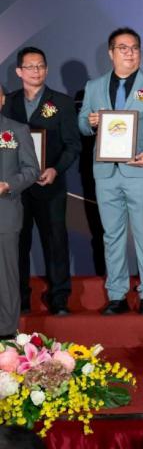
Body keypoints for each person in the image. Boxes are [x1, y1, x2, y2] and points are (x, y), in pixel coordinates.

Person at [78, 27, 143, 315]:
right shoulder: (94, 86)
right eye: (123, 48)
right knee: (112, 236)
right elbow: (82, 122)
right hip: (106, 171)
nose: (130, 53)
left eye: (134, 48)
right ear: (111, 53)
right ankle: (117, 295)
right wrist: (90, 122)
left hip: (141, 169)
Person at [2, 47, 80, 316]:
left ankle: (59, 298)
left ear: (46, 69)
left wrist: (56, 169)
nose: (36, 71)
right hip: (15, 189)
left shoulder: (62, 103)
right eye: (30, 66)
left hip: (50, 184)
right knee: (17, 244)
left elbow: (73, 145)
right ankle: (20, 299)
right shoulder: (8, 103)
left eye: (41, 66)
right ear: (19, 71)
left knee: (55, 241)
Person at [0, 86, 41, 338]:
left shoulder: (17, 130)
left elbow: (32, 170)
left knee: (5, 277)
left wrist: (8, 184)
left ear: (2, 99)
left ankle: (6, 334)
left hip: (4, 213)